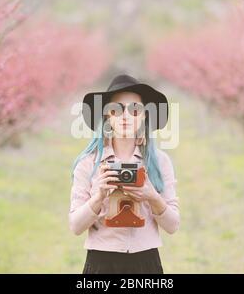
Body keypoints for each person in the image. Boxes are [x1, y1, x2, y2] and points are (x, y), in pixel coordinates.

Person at [69, 74, 179, 274]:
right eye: (116, 109)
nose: (125, 116)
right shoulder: (89, 163)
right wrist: (99, 196)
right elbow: (75, 227)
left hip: (146, 263)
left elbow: (173, 226)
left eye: (135, 109)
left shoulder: (159, 162)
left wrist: (152, 196)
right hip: (101, 262)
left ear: (145, 114)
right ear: (107, 115)